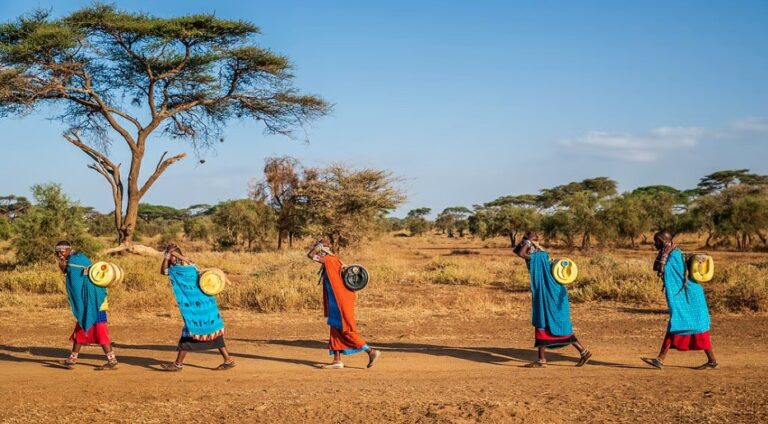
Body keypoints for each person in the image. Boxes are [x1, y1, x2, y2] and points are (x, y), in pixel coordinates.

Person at [514, 232, 592, 368]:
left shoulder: (538, 257)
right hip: (551, 294)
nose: (524, 245)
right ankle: (582, 352)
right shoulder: (540, 256)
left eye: (526, 244)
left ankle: (542, 360)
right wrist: (527, 240)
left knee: (546, 322)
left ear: (531, 246)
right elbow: (518, 251)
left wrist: (529, 240)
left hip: (551, 296)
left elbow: (521, 253)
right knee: (552, 323)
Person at [641, 231, 718, 370]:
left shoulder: (674, 255)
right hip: (685, 296)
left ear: (663, 241)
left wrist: (664, 258)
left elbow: (662, 269)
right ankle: (660, 359)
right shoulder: (670, 253)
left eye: (656, 241)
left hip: (690, 296)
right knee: (679, 325)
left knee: (693, 327)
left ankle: (711, 361)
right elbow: (657, 267)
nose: (654, 244)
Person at [159, 243, 235, 372]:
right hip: (207, 305)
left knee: (190, 331)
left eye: (169, 256)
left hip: (196, 308)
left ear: (174, 256)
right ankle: (228, 360)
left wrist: (167, 256)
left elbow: (163, 271)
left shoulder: (179, 269)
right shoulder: (191, 265)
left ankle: (178, 364)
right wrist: (173, 255)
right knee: (212, 330)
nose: (168, 259)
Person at [307, 239, 381, 369]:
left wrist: (317, 248)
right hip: (336, 301)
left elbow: (311, 255)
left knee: (346, 330)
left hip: (339, 301)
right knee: (335, 329)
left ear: (323, 248)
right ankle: (337, 360)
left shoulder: (330, 260)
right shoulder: (334, 260)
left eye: (318, 247)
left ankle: (371, 351)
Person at [55, 240, 119, 370]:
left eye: (62, 252)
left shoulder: (74, 261)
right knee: (81, 329)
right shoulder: (77, 258)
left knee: (100, 332)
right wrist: (64, 266)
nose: (60, 255)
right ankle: (72, 359)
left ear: (68, 249)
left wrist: (64, 267)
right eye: (57, 253)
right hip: (89, 301)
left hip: (94, 302)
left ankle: (112, 361)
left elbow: (72, 279)